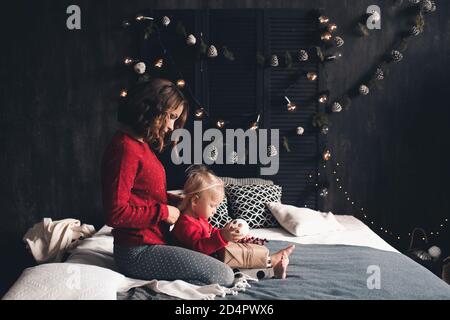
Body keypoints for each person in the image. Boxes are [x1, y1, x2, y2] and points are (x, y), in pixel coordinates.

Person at [101, 78, 235, 286]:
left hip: (154, 241)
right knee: (224, 275)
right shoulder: (125, 148)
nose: (172, 126)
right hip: (136, 253)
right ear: (153, 108)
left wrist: (171, 201)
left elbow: (141, 196)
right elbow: (115, 214)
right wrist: (164, 212)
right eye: (171, 117)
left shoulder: (141, 146)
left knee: (218, 256)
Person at [171, 165, 295, 279]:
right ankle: (272, 267)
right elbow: (199, 248)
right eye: (212, 205)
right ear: (195, 201)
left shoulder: (200, 219)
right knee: (234, 270)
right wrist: (222, 237)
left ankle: (271, 262)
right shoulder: (185, 224)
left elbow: (211, 231)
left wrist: (227, 233)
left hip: (207, 258)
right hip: (195, 264)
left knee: (240, 255)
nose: (215, 211)